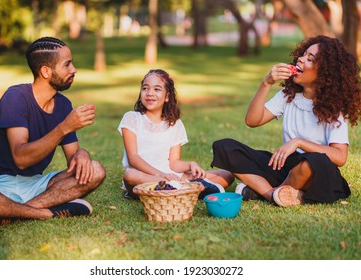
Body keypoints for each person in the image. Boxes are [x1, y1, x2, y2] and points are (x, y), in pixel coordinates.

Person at [0, 37, 105, 230]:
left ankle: (10, 214)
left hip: (36, 186)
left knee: (96, 170)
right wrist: (65, 127)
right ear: (45, 71)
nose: (74, 69)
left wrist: (82, 154)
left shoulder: (63, 105)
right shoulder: (15, 97)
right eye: (67, 64)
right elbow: (21, 158)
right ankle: (46, 212)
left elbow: (73, 160)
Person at [211, 35, 360, 207]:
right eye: (303, 54)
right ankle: (273, 195)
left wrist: (298, 143)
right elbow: (252, 120)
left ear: (325, 72)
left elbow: (340, 157)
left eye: (309, 59)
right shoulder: (288, 95)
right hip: (284, 166)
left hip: (315, 171)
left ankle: (269, 191)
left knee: (312, 162)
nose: (301, 59)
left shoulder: (334, 107)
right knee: (225, 147)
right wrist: (266, 83)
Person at [118, 69, 234, 200]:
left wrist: (190, 165)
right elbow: (133, 158)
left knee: (226, 174)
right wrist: (161, 175)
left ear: (167, 96)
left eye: (157, 89)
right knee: (130, 175)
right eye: (145, 88)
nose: (150, 93)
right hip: (145, 178)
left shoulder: (175, 124)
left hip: (171, 176)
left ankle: (179, 187)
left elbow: (174, 163)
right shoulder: (132, 118)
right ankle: (186, 188)